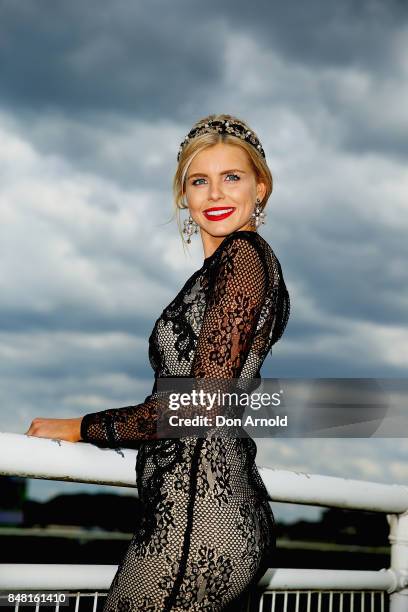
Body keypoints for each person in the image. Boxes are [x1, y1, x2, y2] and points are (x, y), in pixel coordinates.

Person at [25, 113, 291, 611]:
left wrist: (82, 426)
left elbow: (203, 405)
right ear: (183, 197)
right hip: (208, 514)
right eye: (199, 181)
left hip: (196, 524)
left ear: (262, 188)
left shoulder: (244, 258)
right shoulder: (238, 267)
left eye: (231, 177)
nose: (215, 194)